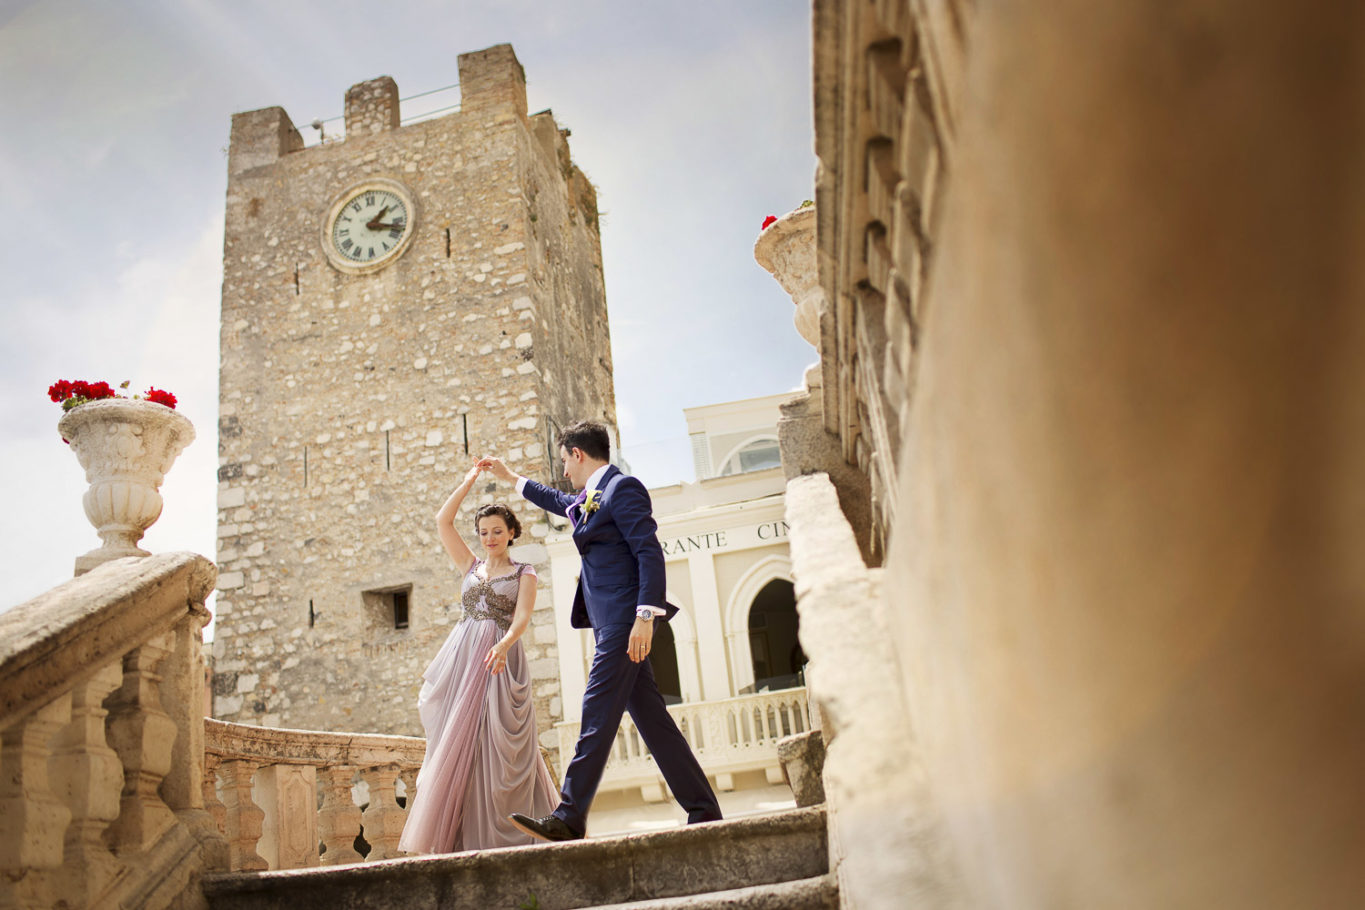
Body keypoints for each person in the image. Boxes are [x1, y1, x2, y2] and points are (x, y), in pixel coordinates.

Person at [479, 420, 722, 841]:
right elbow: (559, 500)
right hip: (612, 621)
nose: (565, 472)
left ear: (577, 454)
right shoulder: (592, 497)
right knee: (654, 723)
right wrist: (509, 478)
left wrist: (646, 617)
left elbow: (649, 550)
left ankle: (570, 816)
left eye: (564, 462)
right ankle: (704, 810)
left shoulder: (622, 489)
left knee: (595, 711)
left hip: (625, 622)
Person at [397, 461, 558, 854]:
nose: (489, 538)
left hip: (500, 658)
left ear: (512, 533)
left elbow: (521, 617)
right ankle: (462, 836)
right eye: (484, 532)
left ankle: (516, 828)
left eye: (497, 532)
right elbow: (442, 521)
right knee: (461, 742)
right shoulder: (470, 565)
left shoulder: (525, 572)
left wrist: (503, 646)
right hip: (463, 657)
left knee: (502, 743)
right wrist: (468, 481)